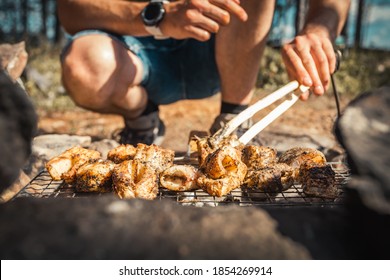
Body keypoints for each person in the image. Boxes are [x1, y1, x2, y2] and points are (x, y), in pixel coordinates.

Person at [57, 0, 351, 146]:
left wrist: (319, 30)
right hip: (131, 53)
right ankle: (141, 118)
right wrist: (160, 16)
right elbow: (70, 11)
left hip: (225, 52)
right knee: (83, 62)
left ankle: (234, 118)